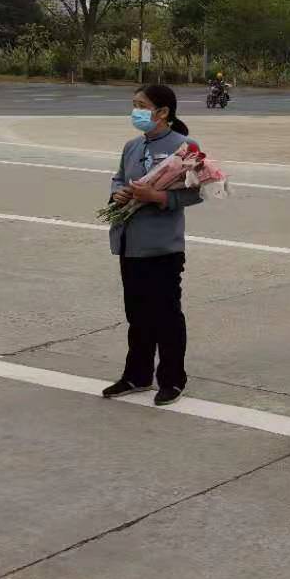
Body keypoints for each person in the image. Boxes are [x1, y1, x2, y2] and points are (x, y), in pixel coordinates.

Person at [101, 84, 203, 406]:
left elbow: (196, 192)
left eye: (142, 105)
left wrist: (158, 196)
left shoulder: (185, 147)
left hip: (162, 247)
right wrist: (118, 193)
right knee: (137, 314)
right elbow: (119, 177)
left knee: (166, 315)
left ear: (163, 112)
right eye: (134, 104)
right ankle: (137, 375)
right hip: (130, 243)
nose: (136, 111)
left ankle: (172, 379)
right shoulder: (132, 146)